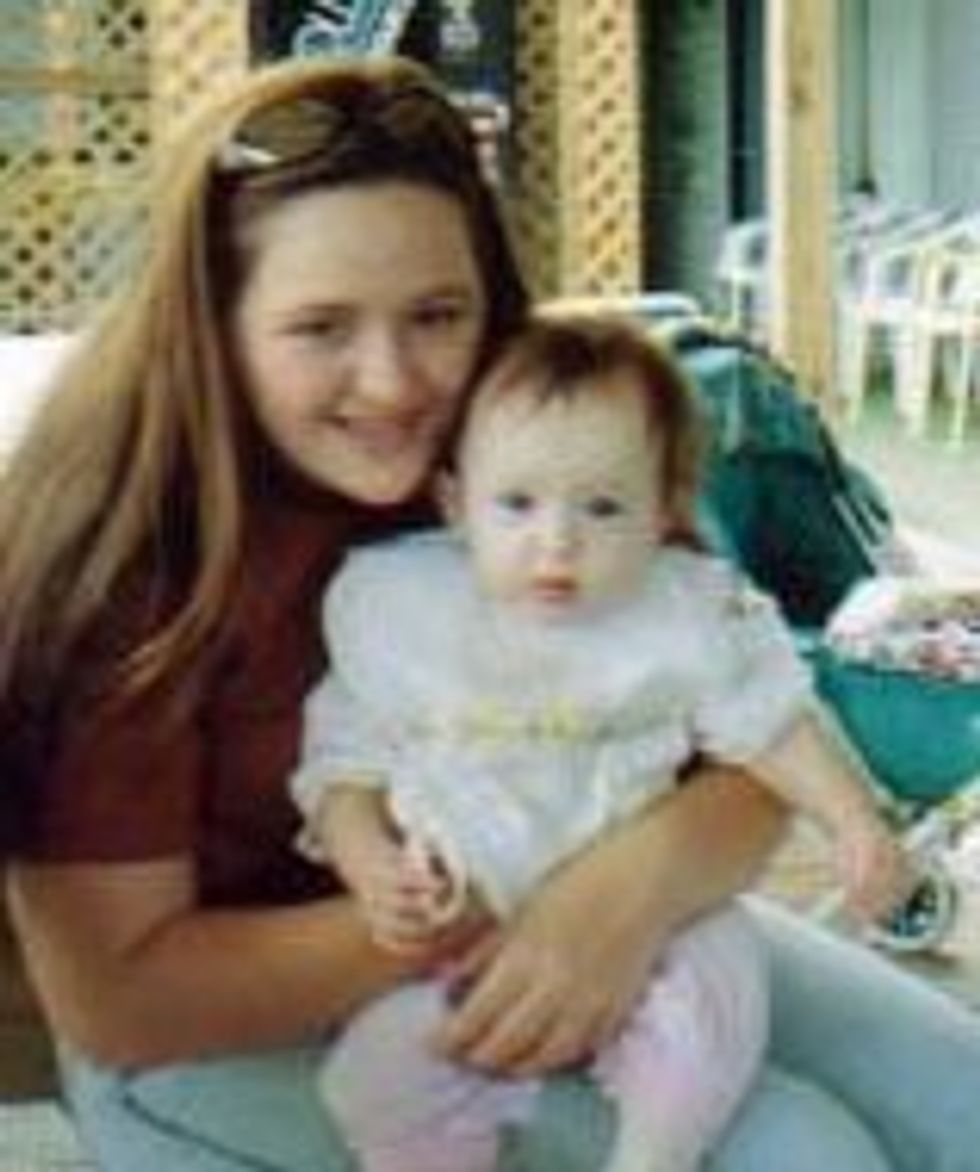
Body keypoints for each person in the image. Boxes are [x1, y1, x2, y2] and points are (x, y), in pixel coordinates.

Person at [0, 52, 979, 1172]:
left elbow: (735, 715)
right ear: (215, 324)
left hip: (608, 912)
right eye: (320, 327)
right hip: (239, 1036)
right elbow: (125, 1004)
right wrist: (520, 911)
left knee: (963, 1103)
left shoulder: (535, 442)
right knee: (802, 1152)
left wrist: (625, 890)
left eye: (436, 315)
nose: (391, 380)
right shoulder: (121, 557)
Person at [289, 310, 907, 1172]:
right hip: (461, 936)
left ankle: (653, 1153)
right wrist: (368, 862)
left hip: (650, 932)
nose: (557, 540)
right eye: (517, 504)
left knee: (719, 990)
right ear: (456, 504)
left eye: (604, 507)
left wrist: (853, 820)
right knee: (373, 1075)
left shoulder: (681, 614)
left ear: (664, 513)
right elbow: (342, 764)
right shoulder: (405, 612)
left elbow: (768, 722)